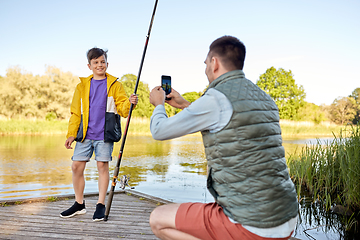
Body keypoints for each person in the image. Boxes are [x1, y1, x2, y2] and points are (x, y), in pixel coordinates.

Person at [148, 36, 298, 240]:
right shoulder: (263, 97)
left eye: (205, 63)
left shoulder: (216, 97)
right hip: (285, 216)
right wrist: (184, 104)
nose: (206, 69)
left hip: (253, 223)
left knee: (158, 219)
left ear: (214, 62)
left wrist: (159, 104)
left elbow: (159, 130)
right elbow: (228, 119)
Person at [60, 47, 138, 221]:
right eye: (95, 62)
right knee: (76, 167)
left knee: (102, 167)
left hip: (104, 134)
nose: (99, 65)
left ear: (107, 64)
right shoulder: (81, 86)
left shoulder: (115, 84)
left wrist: (131, 103)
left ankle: (100, 205)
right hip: (84, 135)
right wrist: (72, 134)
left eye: (102, 62)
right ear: (89, 66)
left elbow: (123, 108)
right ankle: (79, 204)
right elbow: (75, 113)